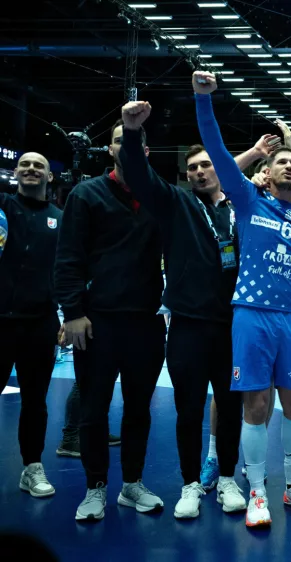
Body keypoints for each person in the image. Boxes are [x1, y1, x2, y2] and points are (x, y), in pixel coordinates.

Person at [118, 100, 277, 518]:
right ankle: (190, 484)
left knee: (229, 406)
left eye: (207, 165)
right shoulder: (175, 204)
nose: (200, 172)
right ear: (185, 177)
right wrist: (132, 132)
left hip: (234, 324)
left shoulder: (244, 206)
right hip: (188, 324)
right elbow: (136, 173)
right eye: (193, 169)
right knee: (188, 408)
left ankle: (226, 478)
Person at [194, 70, 291, 528]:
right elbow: (214, 152)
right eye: (281, 163)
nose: (289, 167)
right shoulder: (249, 201)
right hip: (251, 316)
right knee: (255, 406)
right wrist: (203, 99)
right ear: (265, 173)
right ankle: (256, 492)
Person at [57, 119, 167, 522]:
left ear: (146, 153)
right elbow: (67, 257)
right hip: (98, 322)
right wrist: (73, 313)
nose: (127, 146)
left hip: (146, 323)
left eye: (135, 141)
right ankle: (95, 488)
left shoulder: (158, 198)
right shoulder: (86, 195)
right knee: (93, 409)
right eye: (120, 140)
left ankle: (132, 485)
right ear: (110, 150)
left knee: (139, 409)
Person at [0, 152, 62, 498]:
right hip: (0, 321)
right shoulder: (3, 206)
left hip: (40, 323)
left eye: (39, 165)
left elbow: (68, 272)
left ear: (49, 177)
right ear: (16, 172)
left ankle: (32, 467)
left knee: (35, 401)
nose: (31, 169)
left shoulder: (60, 219)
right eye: (25, 164)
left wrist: (71, 313)